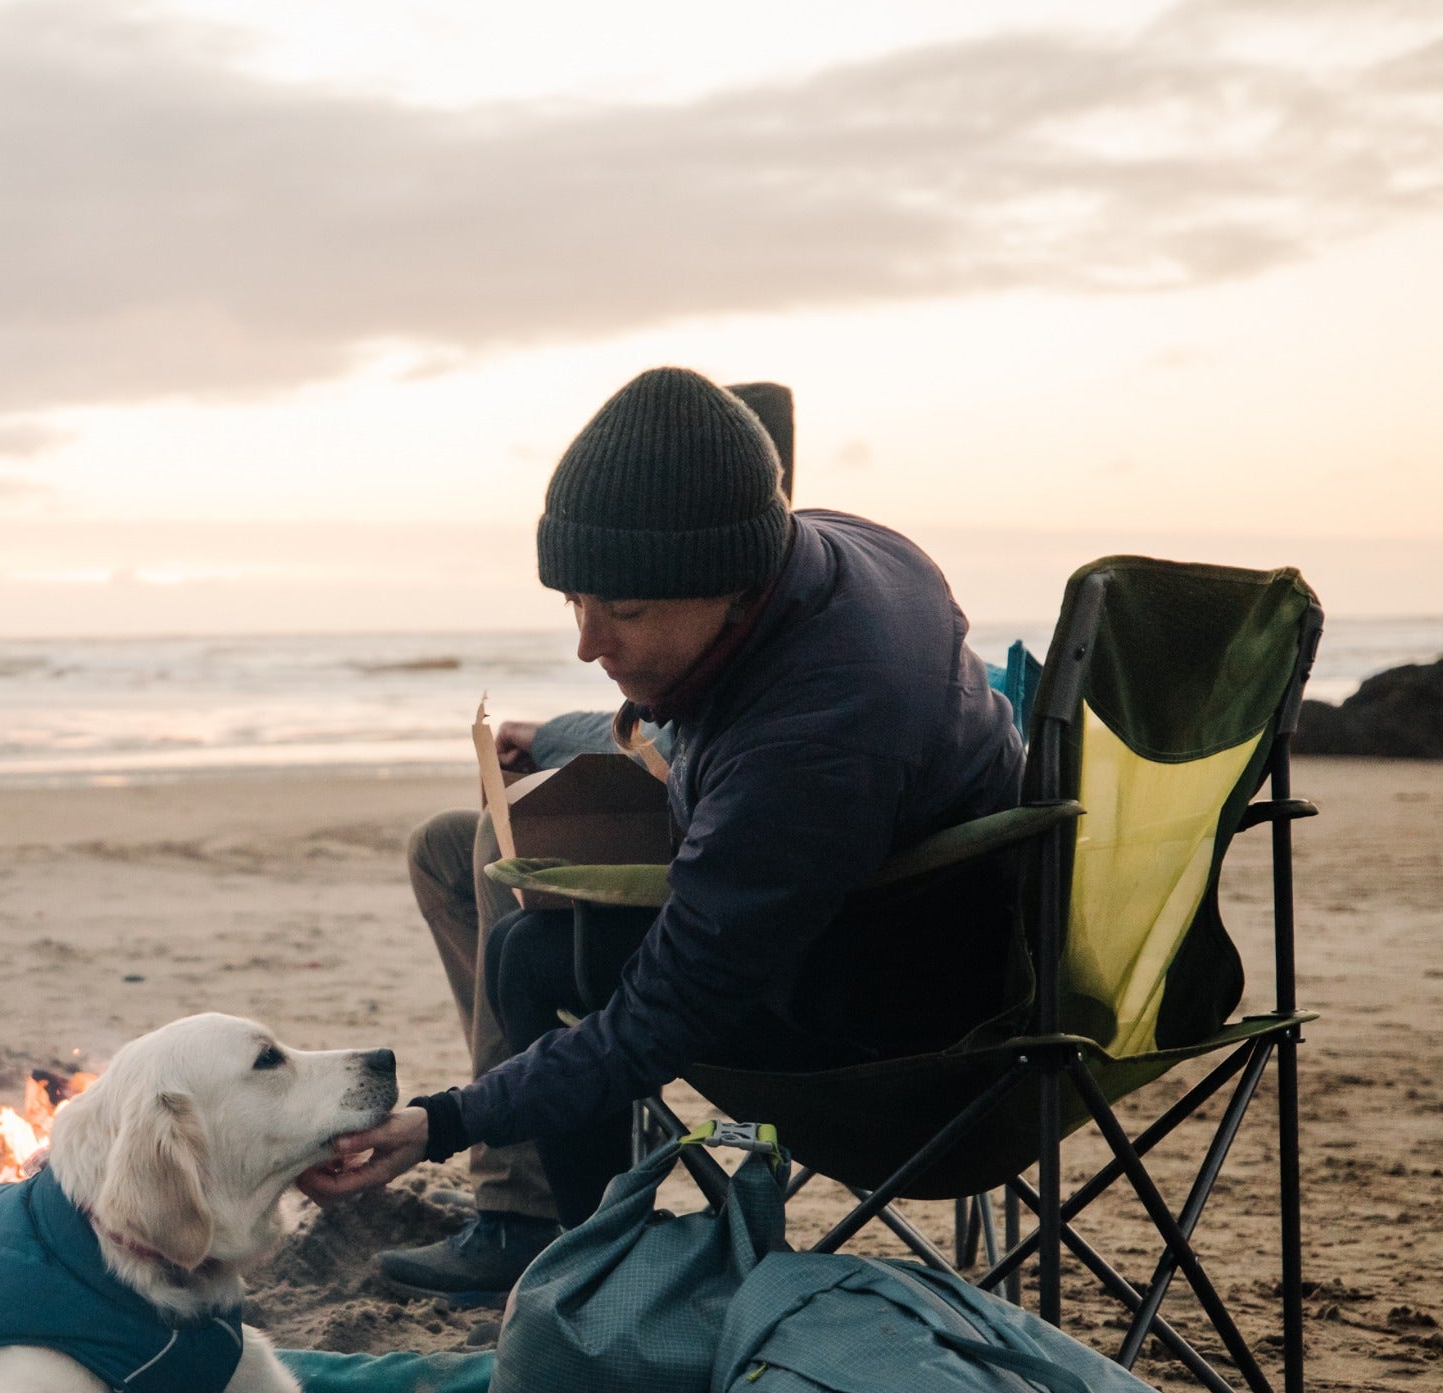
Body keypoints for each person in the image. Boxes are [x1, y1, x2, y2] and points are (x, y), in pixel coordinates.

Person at [303, 366, 1024, 1304]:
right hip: (873, 900)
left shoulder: (809, 746)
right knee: (459, 845)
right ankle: (534, 1212)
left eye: (626, 612)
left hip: (903, 1021)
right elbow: (698, 731)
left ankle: (596, 1278)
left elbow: (658, 1021)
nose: (589, 643)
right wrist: (565, 734)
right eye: (576, 603)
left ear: (727, 578)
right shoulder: (830, 558)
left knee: (531, 953)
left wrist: (437, 1123)